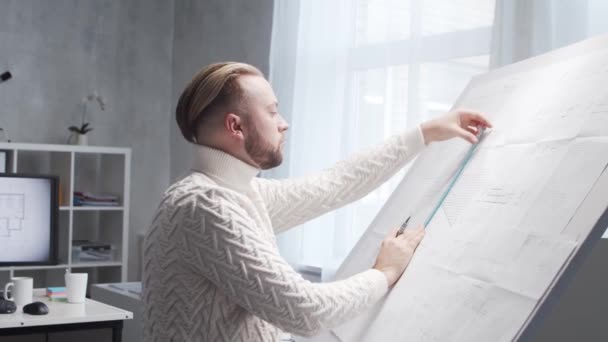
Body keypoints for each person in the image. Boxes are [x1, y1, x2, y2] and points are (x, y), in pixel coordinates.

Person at [142, 62, 492, 342]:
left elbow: (332, 185)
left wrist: (424, 134)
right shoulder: (204, 206)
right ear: (236, 127)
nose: (284, 124)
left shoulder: (236, 193)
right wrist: (384, 272)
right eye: (273, 112)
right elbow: (305, 313)